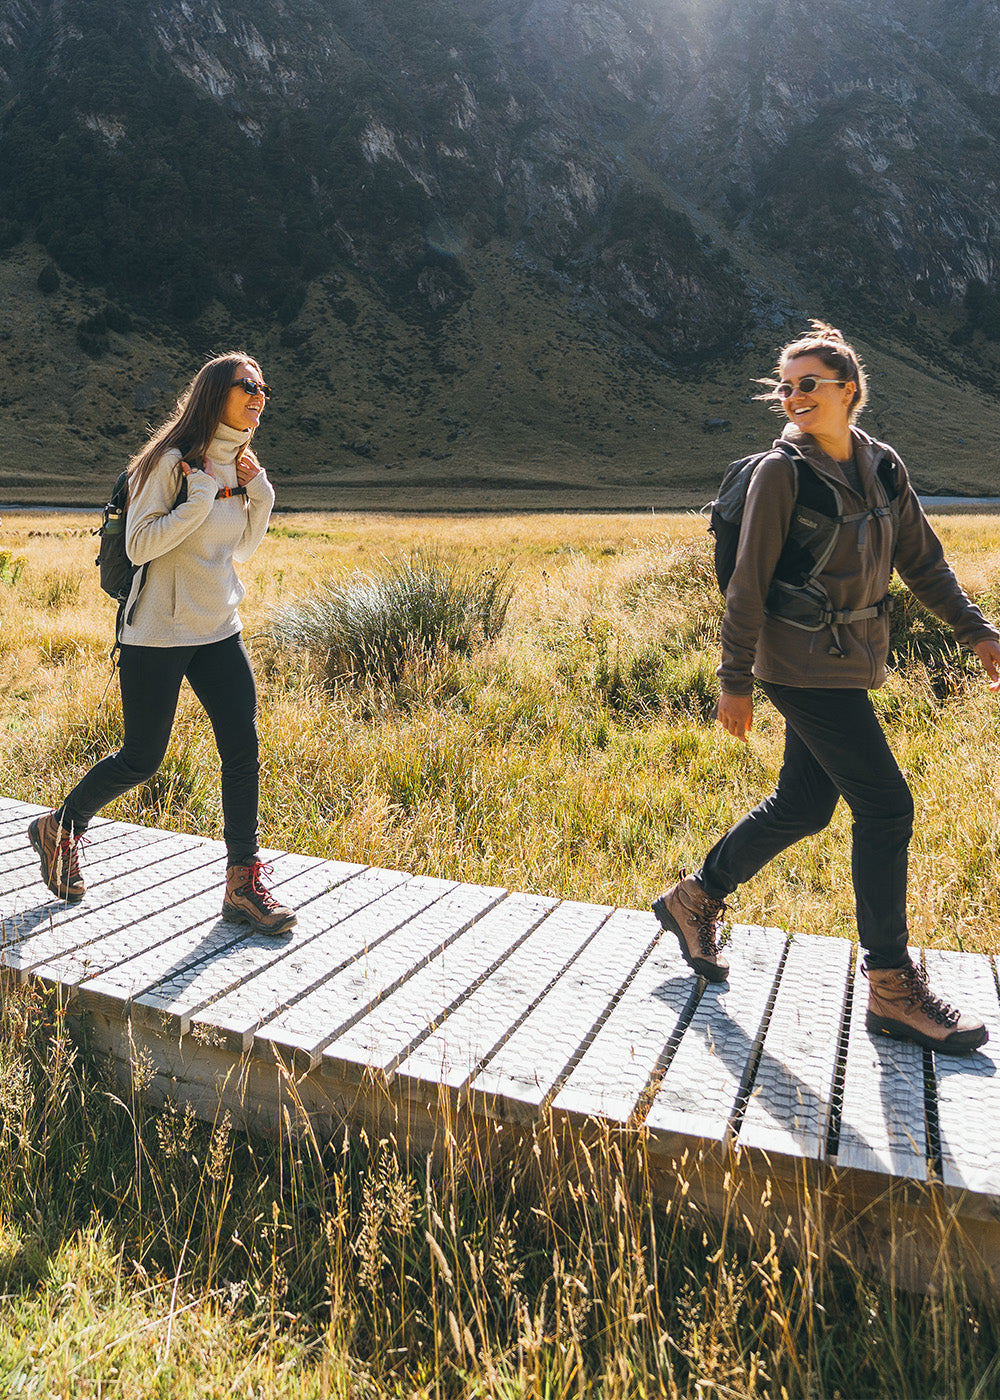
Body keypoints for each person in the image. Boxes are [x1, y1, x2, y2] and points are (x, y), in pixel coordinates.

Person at [653, 321, 999, 1054]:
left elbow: (924, 563)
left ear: (849, 390)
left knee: (805, 805)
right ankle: (891, 986)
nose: (793, 396)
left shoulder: (883, 466)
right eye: (785, 386)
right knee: (887, 806)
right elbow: (747, 585)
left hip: (850, 659)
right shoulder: (783, 473)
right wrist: (734, 679)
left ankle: (695, 897)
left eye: (807, 383)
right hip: (796, 662)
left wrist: (977, 631)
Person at [28, 352, 296, 937]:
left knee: (242, 747)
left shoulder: (237, 465)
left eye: (263, 388)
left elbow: (241, 550)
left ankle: (242, 885)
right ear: (215, 394)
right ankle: (60, 827)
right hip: (157, 632)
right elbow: (140, 546)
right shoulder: (169, 463)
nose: (259, 396)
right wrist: (198, 499)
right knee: (142, 759)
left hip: (218, 627)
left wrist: (260, 492)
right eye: (247, 386)